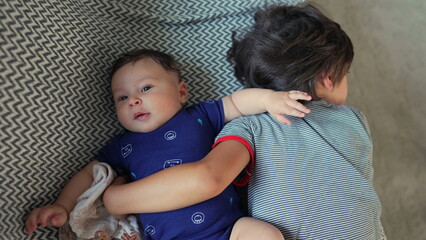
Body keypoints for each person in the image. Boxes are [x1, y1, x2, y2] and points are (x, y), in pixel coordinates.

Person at [99, 3, 387, 240]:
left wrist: (117, 198)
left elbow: (208, 177)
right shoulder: (355, 120)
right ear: (328, 76)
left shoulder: (250, 126)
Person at [25, 48, 312, 239]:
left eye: (146, 88)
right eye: (122, 98)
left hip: (228, 230)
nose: (134, 100)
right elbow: (89, 173)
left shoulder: (199, 116)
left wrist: (268, 99)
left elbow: (237, 102)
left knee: (266, 235)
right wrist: (63, 204)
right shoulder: (123, 145)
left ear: (182, 91)